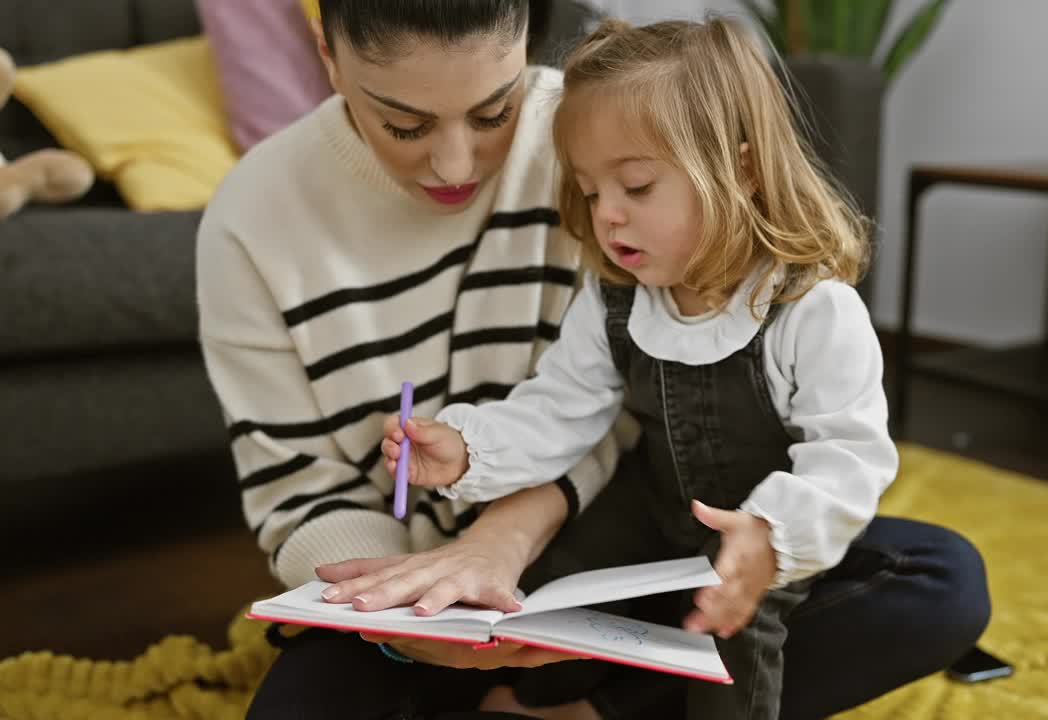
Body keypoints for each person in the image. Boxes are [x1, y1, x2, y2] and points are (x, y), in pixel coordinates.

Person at [195, 1, 991, 718]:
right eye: (405, 124)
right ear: (327, 56)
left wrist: (504, 540)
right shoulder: (250, 221)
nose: (457, 166)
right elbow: (559, 401)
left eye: (494, 112)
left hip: (622, 567)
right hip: (439, 592)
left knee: (938, 582)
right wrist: (411, 603)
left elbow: (630, 422)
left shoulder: (593, 126)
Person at [378, 16, 933, 720]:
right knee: (554, 578)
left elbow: (850, 459)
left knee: (737, 629)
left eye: (636, 188)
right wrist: (464, 449)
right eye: (589, 191)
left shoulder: (811, 309)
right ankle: (528, 701)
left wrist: (770, 537)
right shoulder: (617, 299)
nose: (607, 216)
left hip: (755, 531)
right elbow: (559, 406)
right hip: (651, 507)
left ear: (743, 172)